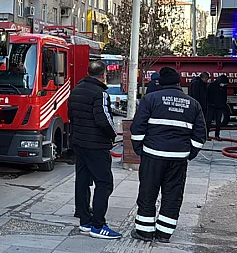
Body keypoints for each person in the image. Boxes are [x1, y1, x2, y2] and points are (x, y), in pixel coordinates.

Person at [130, 67, 206, 244]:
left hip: (153, 156)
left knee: (148, 192)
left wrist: (140, 149)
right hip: (178, 159)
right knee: (173, 194)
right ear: (179, 83)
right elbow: (200, 134)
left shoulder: (150, 99)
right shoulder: (193, 104)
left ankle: (144, 231)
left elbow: (137, 128)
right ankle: (164, 233)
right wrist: (189, 153)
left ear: (160, 83)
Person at [68, 60, 121, 239]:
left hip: (79, 142)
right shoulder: (100, 94)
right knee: (104, 183)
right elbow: (104, 120)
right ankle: (98, 225)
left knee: (82, 180)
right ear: (103, 74)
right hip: (96, 145)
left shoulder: (76, 90)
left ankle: (84, 220)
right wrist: (113, 135)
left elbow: (71, 116)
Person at [206, 75, 229, 141]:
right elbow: (207, 95)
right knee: (209, 121)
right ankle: (206, 135)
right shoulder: (211, 86)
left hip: (220, 107)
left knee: (218, 122)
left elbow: (224, 96)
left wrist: (223, 104)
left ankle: (217, 135)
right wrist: (210, 103)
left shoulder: (224, 87)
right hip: (211, 106)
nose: (224, 85)